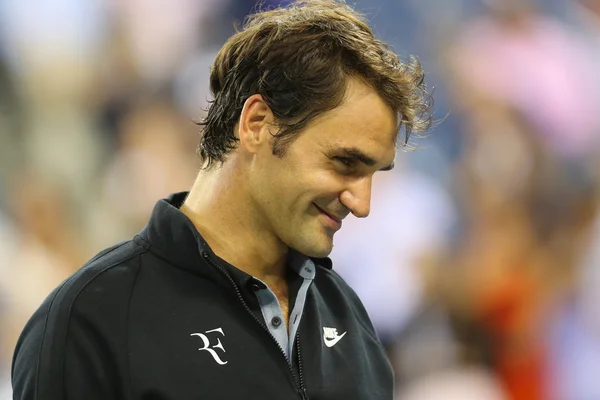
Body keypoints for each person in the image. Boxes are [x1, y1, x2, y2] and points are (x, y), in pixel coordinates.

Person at [11, 1, 432, 399]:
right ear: (256, 123)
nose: (362, 203)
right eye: (343, 162)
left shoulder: (348, 317)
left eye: (374, 174)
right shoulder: (90, 319)